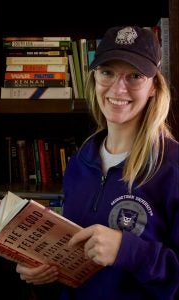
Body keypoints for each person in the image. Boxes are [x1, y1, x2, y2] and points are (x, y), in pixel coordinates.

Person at [16, 26, 179, 299]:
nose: (118, 88)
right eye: (107, 73)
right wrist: (43, 271)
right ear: (94, 78)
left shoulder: (173, 167)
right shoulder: (80, 162)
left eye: (135, 76)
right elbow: (75, 260)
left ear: (153, 87)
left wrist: (127, 251)